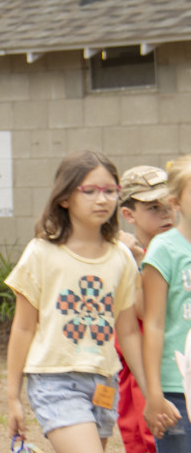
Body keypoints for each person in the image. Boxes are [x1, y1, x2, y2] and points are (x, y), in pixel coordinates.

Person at [5, 150, 176, 453]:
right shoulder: (41, 253)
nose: (102, 199)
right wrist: (13, 397)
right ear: (64, 198)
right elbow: (23, 328)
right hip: (54, 380)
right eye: (90, 191)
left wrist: (151, 393)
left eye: (110, 191)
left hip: (104, 384)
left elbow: (128, 332)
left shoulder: (121, 257)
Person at [116, 165, 172, 453]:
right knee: (141, 439)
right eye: (153, 207)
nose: (166, 214)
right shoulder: (122, 256)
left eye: (169, 204)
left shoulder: (179, 252)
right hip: (136, 368)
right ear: (129, 215)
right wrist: (136, 261)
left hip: (170, 366)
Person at [142, 156, 191, 453]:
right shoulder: (164, 249)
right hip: (176, 390)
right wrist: (154, 393)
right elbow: (154, 324)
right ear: (176, 203)